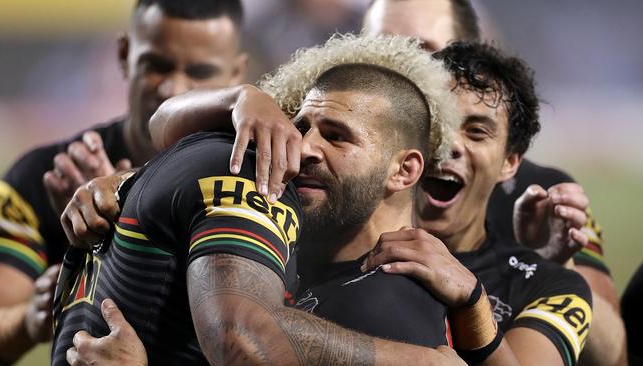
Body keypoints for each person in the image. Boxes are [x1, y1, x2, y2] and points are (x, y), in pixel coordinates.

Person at [55, 34, 466, 366]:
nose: (305, 148)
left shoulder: (387, 309)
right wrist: (239, 100)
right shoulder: (301, 253)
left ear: (405, 170)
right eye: (299, 125)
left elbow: (243, 343)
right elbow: (162, 126)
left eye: (338, 136)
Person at [362, 1, 626, 365]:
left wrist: (551, 264)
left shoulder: (544, 193)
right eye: (380, 50)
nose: (397, 71)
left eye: (419, 51)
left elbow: (614, 358)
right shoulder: (329, 180)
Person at [0, 0, 247, 362]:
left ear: (238, 73)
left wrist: (124, 217)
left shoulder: (253, 179)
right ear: (124, 54)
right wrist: (29, 319)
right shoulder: (43, 175)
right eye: (157, 66)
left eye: (200, 71)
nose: (173, 89)